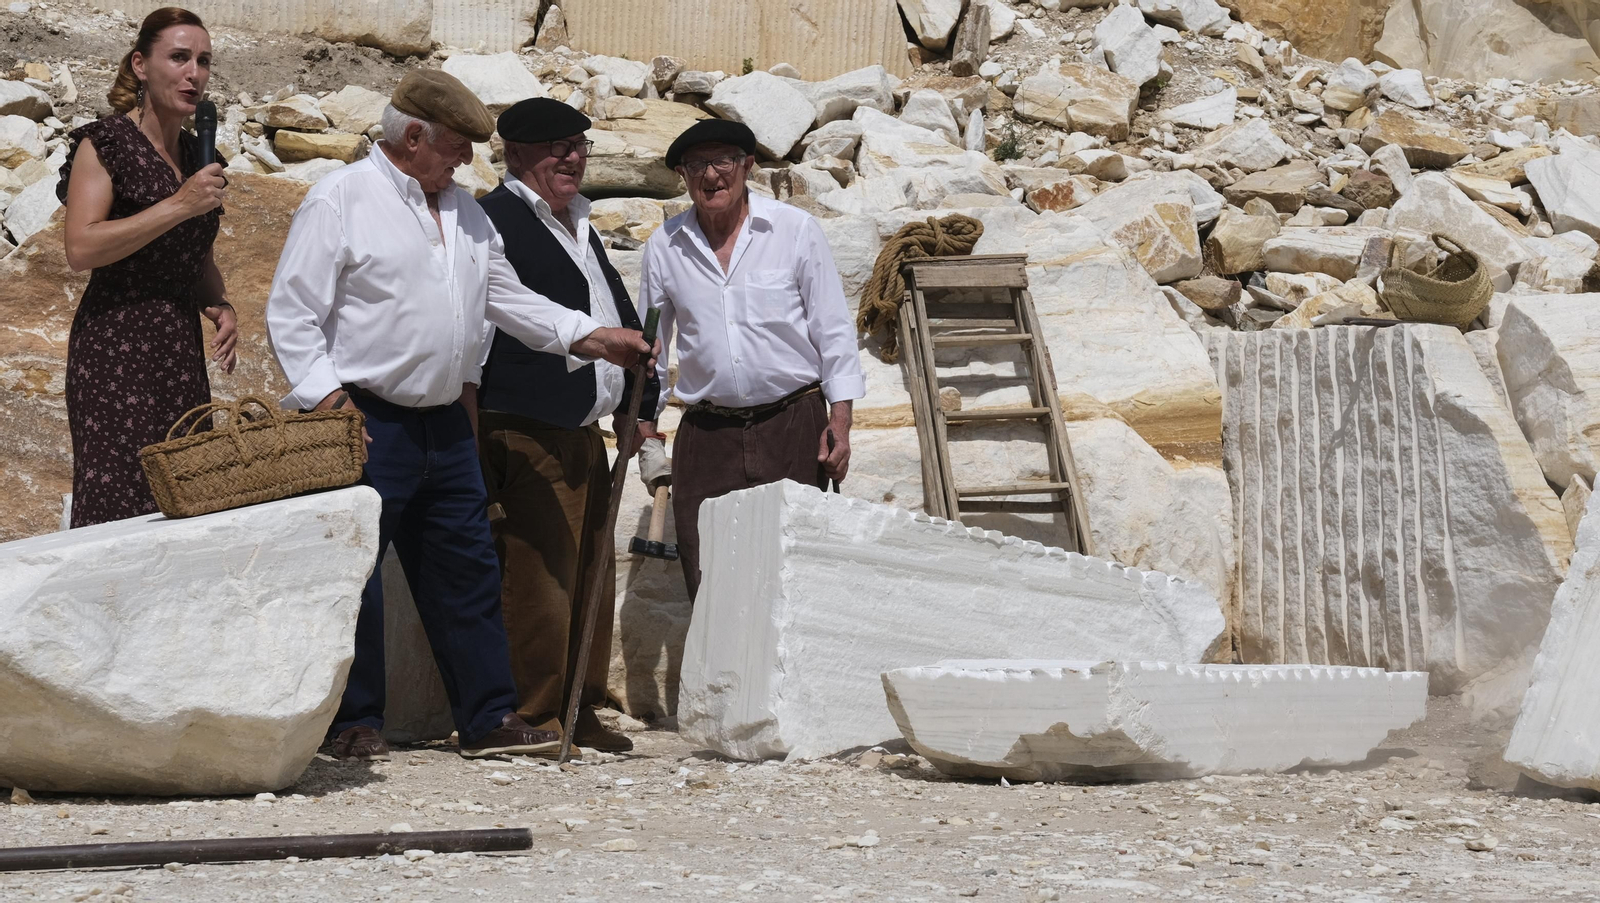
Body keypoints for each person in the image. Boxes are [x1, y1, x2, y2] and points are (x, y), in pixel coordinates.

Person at [265, 70, 653, 762]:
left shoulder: (467, 215)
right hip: (364, 417)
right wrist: (329, 401)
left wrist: (592, 337)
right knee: (357, 574)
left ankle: (487, 718)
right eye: (456, 146)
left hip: (444, 422)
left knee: (465, 569)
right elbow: (293, 313)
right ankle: (352, 720)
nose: (467, 160)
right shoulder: (340, 200)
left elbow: (509, 299)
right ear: (413, 136)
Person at [469, 98, 657, 754]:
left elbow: (614, 310)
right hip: (526, 432)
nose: (574, 158)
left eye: (580, 145)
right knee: (539, 582)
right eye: (558, 147)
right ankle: (536, 712)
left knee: (591, 578)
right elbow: (495, 326)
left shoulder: (579, 222)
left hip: (582, 432)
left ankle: (581, 705)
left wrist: (639, 403)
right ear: (517, 153)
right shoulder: (493, 222)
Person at [637, 120, 865, 599]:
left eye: (722, 160)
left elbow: (833, 330)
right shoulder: (664, 246)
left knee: (793, 579)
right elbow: (651, 346)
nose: (710, 175)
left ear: (747, 166)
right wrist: (645, 426)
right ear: (682, 175)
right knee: (709, 579)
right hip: (707, 437)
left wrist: (840, 422)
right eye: (696, 165)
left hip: (793, 428)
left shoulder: (794, 230)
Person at [58, 6, 236, 528]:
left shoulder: (200, 154)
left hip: (177, 352)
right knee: (118, 508)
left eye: (203, 61)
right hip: (114, 350)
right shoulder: (106, 144)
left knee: (184, 503)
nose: (193, 73)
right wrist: (179, 204)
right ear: (140, 65)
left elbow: (195, 253)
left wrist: (218, 302)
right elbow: (80, 248)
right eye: (179, 57)